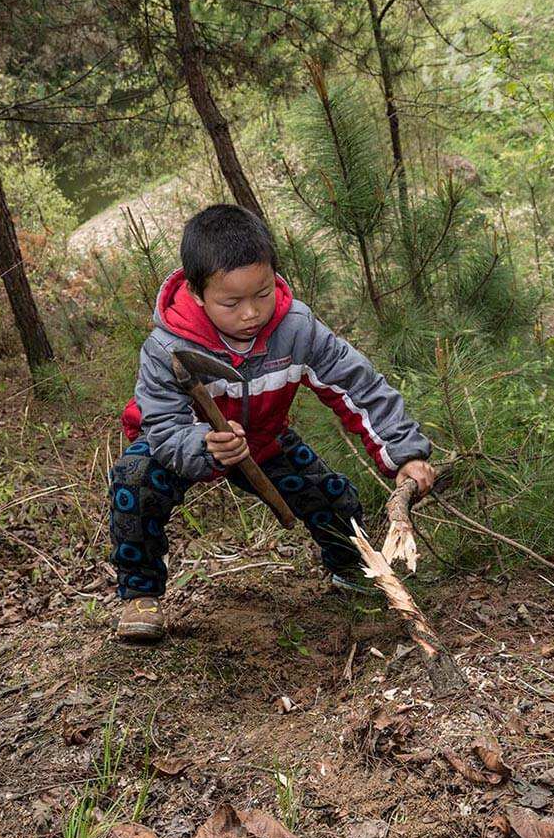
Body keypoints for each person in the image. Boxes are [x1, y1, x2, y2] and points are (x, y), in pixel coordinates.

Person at [109, 203, 436, 643]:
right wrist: (205, 444)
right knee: (134, 483)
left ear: (274, 277)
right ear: (196, 291)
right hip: (180, 442)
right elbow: (164, 426)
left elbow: (357, 385)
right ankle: (139, 595)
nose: (251, 313)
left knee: (333, 497)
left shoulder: (296, 328)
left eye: (262, 294)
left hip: (264, 439)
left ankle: (350, 570)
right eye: (232, 302)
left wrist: (405, 454)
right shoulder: (166, 346)